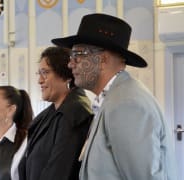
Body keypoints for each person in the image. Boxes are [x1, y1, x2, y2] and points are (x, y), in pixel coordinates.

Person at [52, 13, 177, 180]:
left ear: (102, 59)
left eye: (77, 54)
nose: (70, 63)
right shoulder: (114, 97)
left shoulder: (126, 104)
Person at [19, 46, 94, 180]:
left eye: (45, 73)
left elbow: (59, 171)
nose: (40, 80)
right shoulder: (51, 113)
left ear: (65, 76)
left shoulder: (74, 113)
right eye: (39, 74)